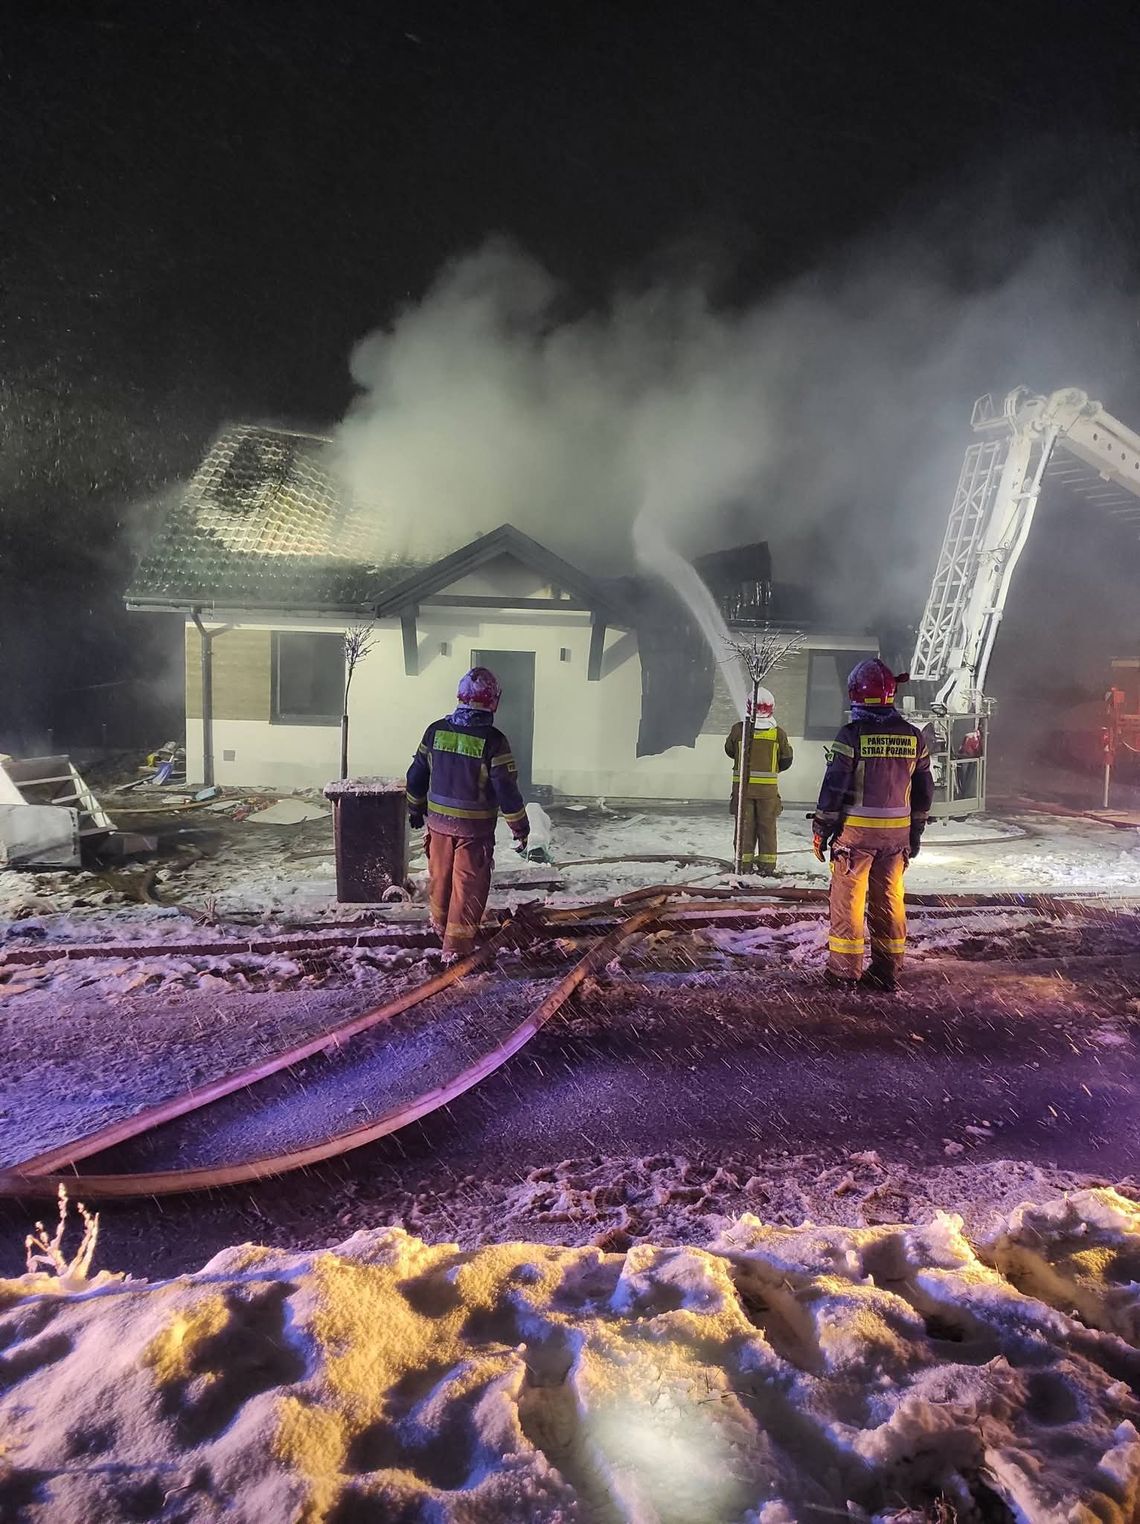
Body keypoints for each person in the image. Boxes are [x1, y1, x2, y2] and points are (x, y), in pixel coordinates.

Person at [812, 659, 934, 992]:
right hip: (895, 838)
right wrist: (916, 833)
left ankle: (843, 971)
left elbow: (835, 787)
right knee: (889, 901)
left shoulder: (851, 736)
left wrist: (822, 828)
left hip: (856, 836)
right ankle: (886, 970)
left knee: (848, 902)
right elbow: (924, 791)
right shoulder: (913, 737)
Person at [405, 667, 529, 958]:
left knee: (441, 880)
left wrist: (414, 807)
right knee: (467, 889)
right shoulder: (494, 741)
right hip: (474, 834)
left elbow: (416, 775)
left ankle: (438, 929)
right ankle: (456, 950)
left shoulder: (435, 731)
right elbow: (506, 790)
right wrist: (520, 828)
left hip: (438, 828)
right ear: (492, 701)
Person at [725, 687, 794, 875]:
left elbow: (730, 751)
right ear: (771, 708)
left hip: (743, 792)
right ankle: (767, 867)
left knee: (744, 829)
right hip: (768, 793)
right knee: (767, 829)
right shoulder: (778, 733)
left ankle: (743, 866)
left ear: (748, 708)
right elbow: (786, 760)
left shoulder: (739, 730)